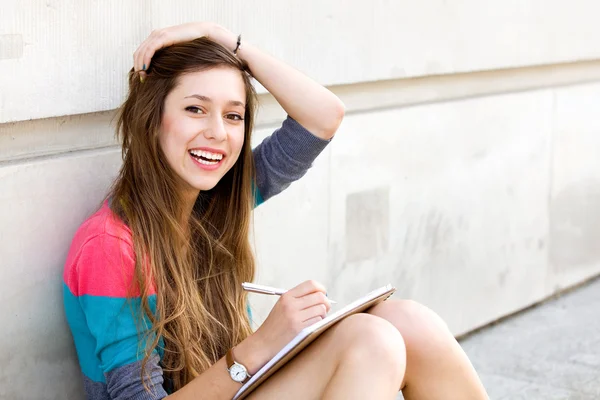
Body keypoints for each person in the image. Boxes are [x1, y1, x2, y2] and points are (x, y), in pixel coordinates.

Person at [63, 21, 489, 400]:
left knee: (409, 322)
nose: (217, 133)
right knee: (372, 341)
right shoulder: (110, 246)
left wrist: (228, 40)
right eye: (195, 109)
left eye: (234, 116)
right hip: (237, 376)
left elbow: (322, 116)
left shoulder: (218, 202)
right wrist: (262, 344)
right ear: (152, 119)